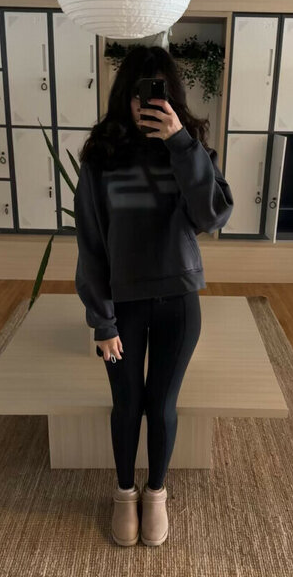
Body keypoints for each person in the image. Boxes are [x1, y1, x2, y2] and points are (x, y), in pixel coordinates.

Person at [73, 45, 233, 547]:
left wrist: (181, 144)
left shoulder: (190, 149)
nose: (148, 103)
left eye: (157, 91)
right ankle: (125, 492)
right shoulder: (100, 159)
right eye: (140, 92)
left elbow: (212, 216)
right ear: (125, 95)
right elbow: (91, 244)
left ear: (172, 96)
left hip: (179, 301)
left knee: (162, 404)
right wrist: (102, 321)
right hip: (123, 305)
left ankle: (156, 492)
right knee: (126, 403)